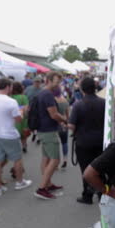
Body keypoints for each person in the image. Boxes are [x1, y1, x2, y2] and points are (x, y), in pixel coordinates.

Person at [0, 78, 32, 197]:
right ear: (8, 87)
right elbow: (18, 119)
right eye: (10, 87)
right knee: (17, 159)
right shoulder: (11, 102)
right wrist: (22, 112)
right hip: (10, 135)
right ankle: (20, 182)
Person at [68, 77, 105, 204]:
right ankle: (102, 194)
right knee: (100, 168)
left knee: (86, 170)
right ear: (95, 88)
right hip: (101, 141)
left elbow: (71, 126)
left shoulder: (78, 105)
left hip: (83, 142)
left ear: (82, 89)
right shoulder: (104, 102)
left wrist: (65, 124)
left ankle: (87, 196)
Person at [34, 72, 67, 200]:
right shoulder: (47, 94)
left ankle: (47, 184)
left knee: (46, 158)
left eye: (59, 82)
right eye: (56, 81)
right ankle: (42, 188)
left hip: (43, 130)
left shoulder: (43, 93)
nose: (58, 84)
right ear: (48, 80)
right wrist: (65, 119)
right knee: (55, 159)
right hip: (48, 131)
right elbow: (54, 114)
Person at [11, 82, 30, 153]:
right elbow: (26, 109)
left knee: (14, 133)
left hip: (13, 118)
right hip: (22, 118)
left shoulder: (10, 97)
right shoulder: (23, 97)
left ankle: (14, 147)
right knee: (23, 134)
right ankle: (24, 145)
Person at [53, 87, 69, 169]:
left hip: (55, 124)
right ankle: (65, 160)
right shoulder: (65, 100)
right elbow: (67, 114)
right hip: (64, 124)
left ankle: (55, 163)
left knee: (55, 144)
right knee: (64, 142)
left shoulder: (53, 100)